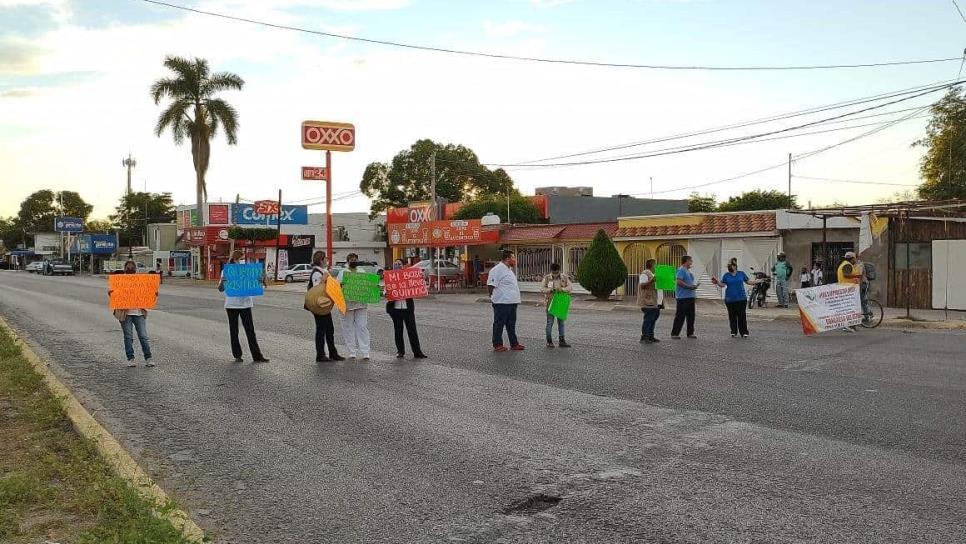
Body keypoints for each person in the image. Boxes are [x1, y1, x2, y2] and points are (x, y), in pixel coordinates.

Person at [218, 250, 269, 363]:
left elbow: (256, 286)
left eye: (243, 259)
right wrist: (223, 281)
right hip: (231, 305)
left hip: (245, 304)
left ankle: (257, 356)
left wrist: (262, 282)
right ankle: (237, 354)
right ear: (236, 259)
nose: (243, 261)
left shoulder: (247, 271)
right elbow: (221, 289)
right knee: (234, 330)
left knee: (250, 331)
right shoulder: (227, 271)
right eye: (241, 259)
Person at [112, 260, 155, 368]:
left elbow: (148, 293)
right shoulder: (120, 281)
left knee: (143, 336)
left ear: (135, 269)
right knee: (128, 337)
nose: (130, 270)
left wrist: (153, 294)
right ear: (125, 269)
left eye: (132, 268)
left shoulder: (140, 281)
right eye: (128, 268)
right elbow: (113, 293)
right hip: (125, 313)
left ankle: (148, 357)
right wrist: (112, 294)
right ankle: (130, 358)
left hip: (139, 313)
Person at [385, 259, 427, 359]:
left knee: (412, 330)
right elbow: (386, 291)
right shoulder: (390, 278)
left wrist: (421, 278)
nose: (397, 265)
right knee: (398, 331)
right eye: (395, 264)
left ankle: (417, 352)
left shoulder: (408, 277)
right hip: (395, 309)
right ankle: (400, 351)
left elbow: (417, 283)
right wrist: (385, 294)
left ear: (403, 266)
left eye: (399, 264)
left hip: (407, 309)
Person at [308, 251, 343, 362]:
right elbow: (316, 290)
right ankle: (320, 354)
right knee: (321, 330)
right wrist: (323, 280)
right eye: (325, 259)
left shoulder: (323, 271)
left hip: (325, 304)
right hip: (319, 305)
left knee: (329, 330)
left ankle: (333, 353)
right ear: (321, 260)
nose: (327, 261)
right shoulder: (317, 273)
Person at [487, 249, 524, 352]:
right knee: (499, 324)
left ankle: (514, 344)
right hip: (502, 302)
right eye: (513, 257)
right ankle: (497, 344)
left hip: (512, 302)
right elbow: (491, 285)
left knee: (511, 324)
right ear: (507, 259)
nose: (515, 260)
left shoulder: (508, 269)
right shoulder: (497, 270)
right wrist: (492, 297)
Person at [712, 261, 760, 338]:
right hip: (730, 299)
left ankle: (744, 332)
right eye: (728, 266)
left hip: (741, 298)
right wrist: (717, 282)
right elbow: (722, 285)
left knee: (742, 316)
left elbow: (748, 282)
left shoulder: (741, 274)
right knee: (732, 316)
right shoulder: (726, 275)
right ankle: (733, 331)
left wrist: (757, 281)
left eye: (731, 266)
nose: (729, 268)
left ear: (735, 266)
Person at [337, 253, 371, 360]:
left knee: (362, 327)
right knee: (348, 328)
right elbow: (337, 288)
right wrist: (341, 286)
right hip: (347, 305)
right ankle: (352, 351)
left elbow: (368, 286)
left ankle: (365, 351)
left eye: (355, 259)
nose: (353, 261)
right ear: (348, 261)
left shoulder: (362, 272)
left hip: (361, 305)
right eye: (351, 259)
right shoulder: (343, 273)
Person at [540, 262, 572, 348]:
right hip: (550, 303)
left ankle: (562, 341)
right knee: (550, 322)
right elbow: (542, 288)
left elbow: (570, 287)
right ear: (551, 271)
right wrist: (550, 290)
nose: (554, 274)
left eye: (556, 273)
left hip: (561, 303)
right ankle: (549, 341)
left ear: (559, 271)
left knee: (561, 323)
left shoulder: (564, 278)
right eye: (553, 273)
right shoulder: (547, 278)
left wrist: (562, 289)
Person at [670, 255, 699, 339]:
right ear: (686, 261)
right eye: (690, 261)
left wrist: (693, 286)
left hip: (690, 296)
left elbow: (688, 282)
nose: (691, 262)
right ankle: (675, 333)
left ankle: (690, 333)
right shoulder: (681, 270)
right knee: (680, 316)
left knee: (691, 316)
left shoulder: (687, 271)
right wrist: (690, 287)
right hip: (683, 297)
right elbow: (679, 282)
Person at [837, 251, 867, 331]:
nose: (855, 260)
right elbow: (845, 275)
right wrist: (858, 276)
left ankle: (852, 325)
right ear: (852, 258)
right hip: (847, 290)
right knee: (849, 308)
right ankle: (847, 325)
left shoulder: (847, 264)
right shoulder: (847, 265)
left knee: (852, 308)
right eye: (854, 258)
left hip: (849, 289)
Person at [637, 259, 662, 344]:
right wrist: (652, 280)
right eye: (655, 264)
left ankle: (650, 336)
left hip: (655, 301)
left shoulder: (653, 274)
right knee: (648, 319)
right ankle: (644, 338)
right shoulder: (645, 273)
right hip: (647, 301)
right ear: (651, 265)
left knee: (653, 318)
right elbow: (642, 285)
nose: (657, 266)